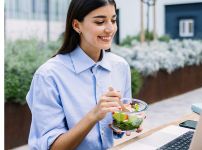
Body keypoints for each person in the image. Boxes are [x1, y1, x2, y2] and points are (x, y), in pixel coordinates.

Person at [26, 0, 142, 149]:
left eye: (113, 20)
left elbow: (116, 127)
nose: (110, 29)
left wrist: (127, 123)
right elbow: (52, 147)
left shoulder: (120, 66)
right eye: (100, 22)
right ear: (76, 25)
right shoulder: (48, 76)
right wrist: (94, 115)